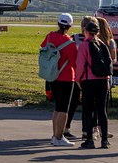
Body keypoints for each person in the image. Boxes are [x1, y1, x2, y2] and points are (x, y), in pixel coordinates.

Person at [41, 13, 78, 147]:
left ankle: (55, 135)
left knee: (57, 107)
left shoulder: (50, 36)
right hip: (66, 78)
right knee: (64, 109)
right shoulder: (70, 43)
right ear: (70, 26)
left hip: (52, 76)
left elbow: (43, 47)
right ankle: (59, 136)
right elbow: (75, 63)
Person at [75, 19, 110, 148]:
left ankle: (89, 139)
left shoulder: (84, 45)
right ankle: (104, 140)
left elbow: (80, 65)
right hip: (103, 80)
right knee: (102, 110)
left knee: (88, 110)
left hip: (89, 80)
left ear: (86, 31)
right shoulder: (102, 44)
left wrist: (78, 79)